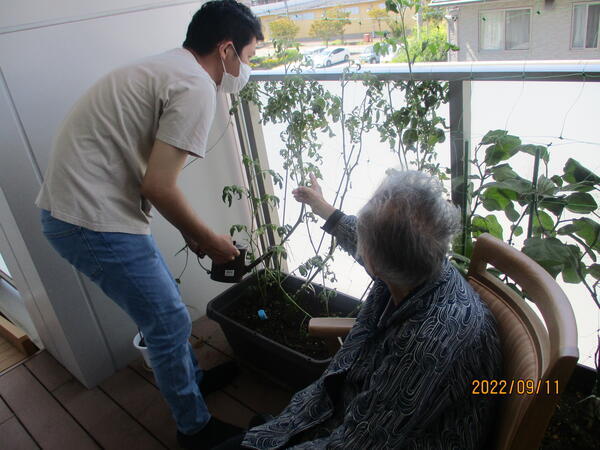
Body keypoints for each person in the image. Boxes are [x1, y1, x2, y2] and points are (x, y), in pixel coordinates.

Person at [35, 1, 263, 448]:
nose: (247, 69)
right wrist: (209, 239)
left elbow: (152, 179)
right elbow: (158, 185)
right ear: (226, 50)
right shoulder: (197, 86)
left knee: (166, 313)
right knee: (167, 319)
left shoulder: (170, 67)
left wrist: (191, 235)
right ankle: (194, 429)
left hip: (81, 211)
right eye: (249, 58)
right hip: (89, 219)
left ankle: (191, 384)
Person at [213, 170, 502, 449]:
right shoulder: (421, 264)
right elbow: (364, 237)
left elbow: (359, 442)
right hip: (351, 408)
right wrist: (323, 207)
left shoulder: (427, 346)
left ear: (372, 261)